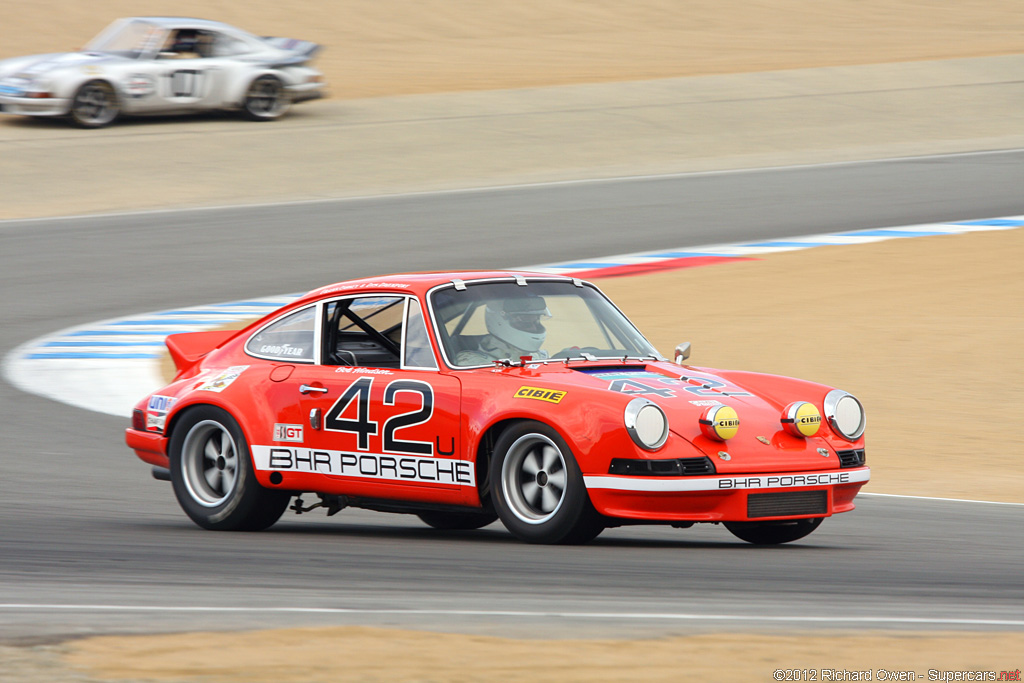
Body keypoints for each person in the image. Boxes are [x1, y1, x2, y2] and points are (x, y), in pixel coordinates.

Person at [455, 295, 550, 365]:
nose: (533, 328)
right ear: (499, 321)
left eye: (536, 322)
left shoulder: (538, 356)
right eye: (525, 322)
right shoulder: (473, 362)